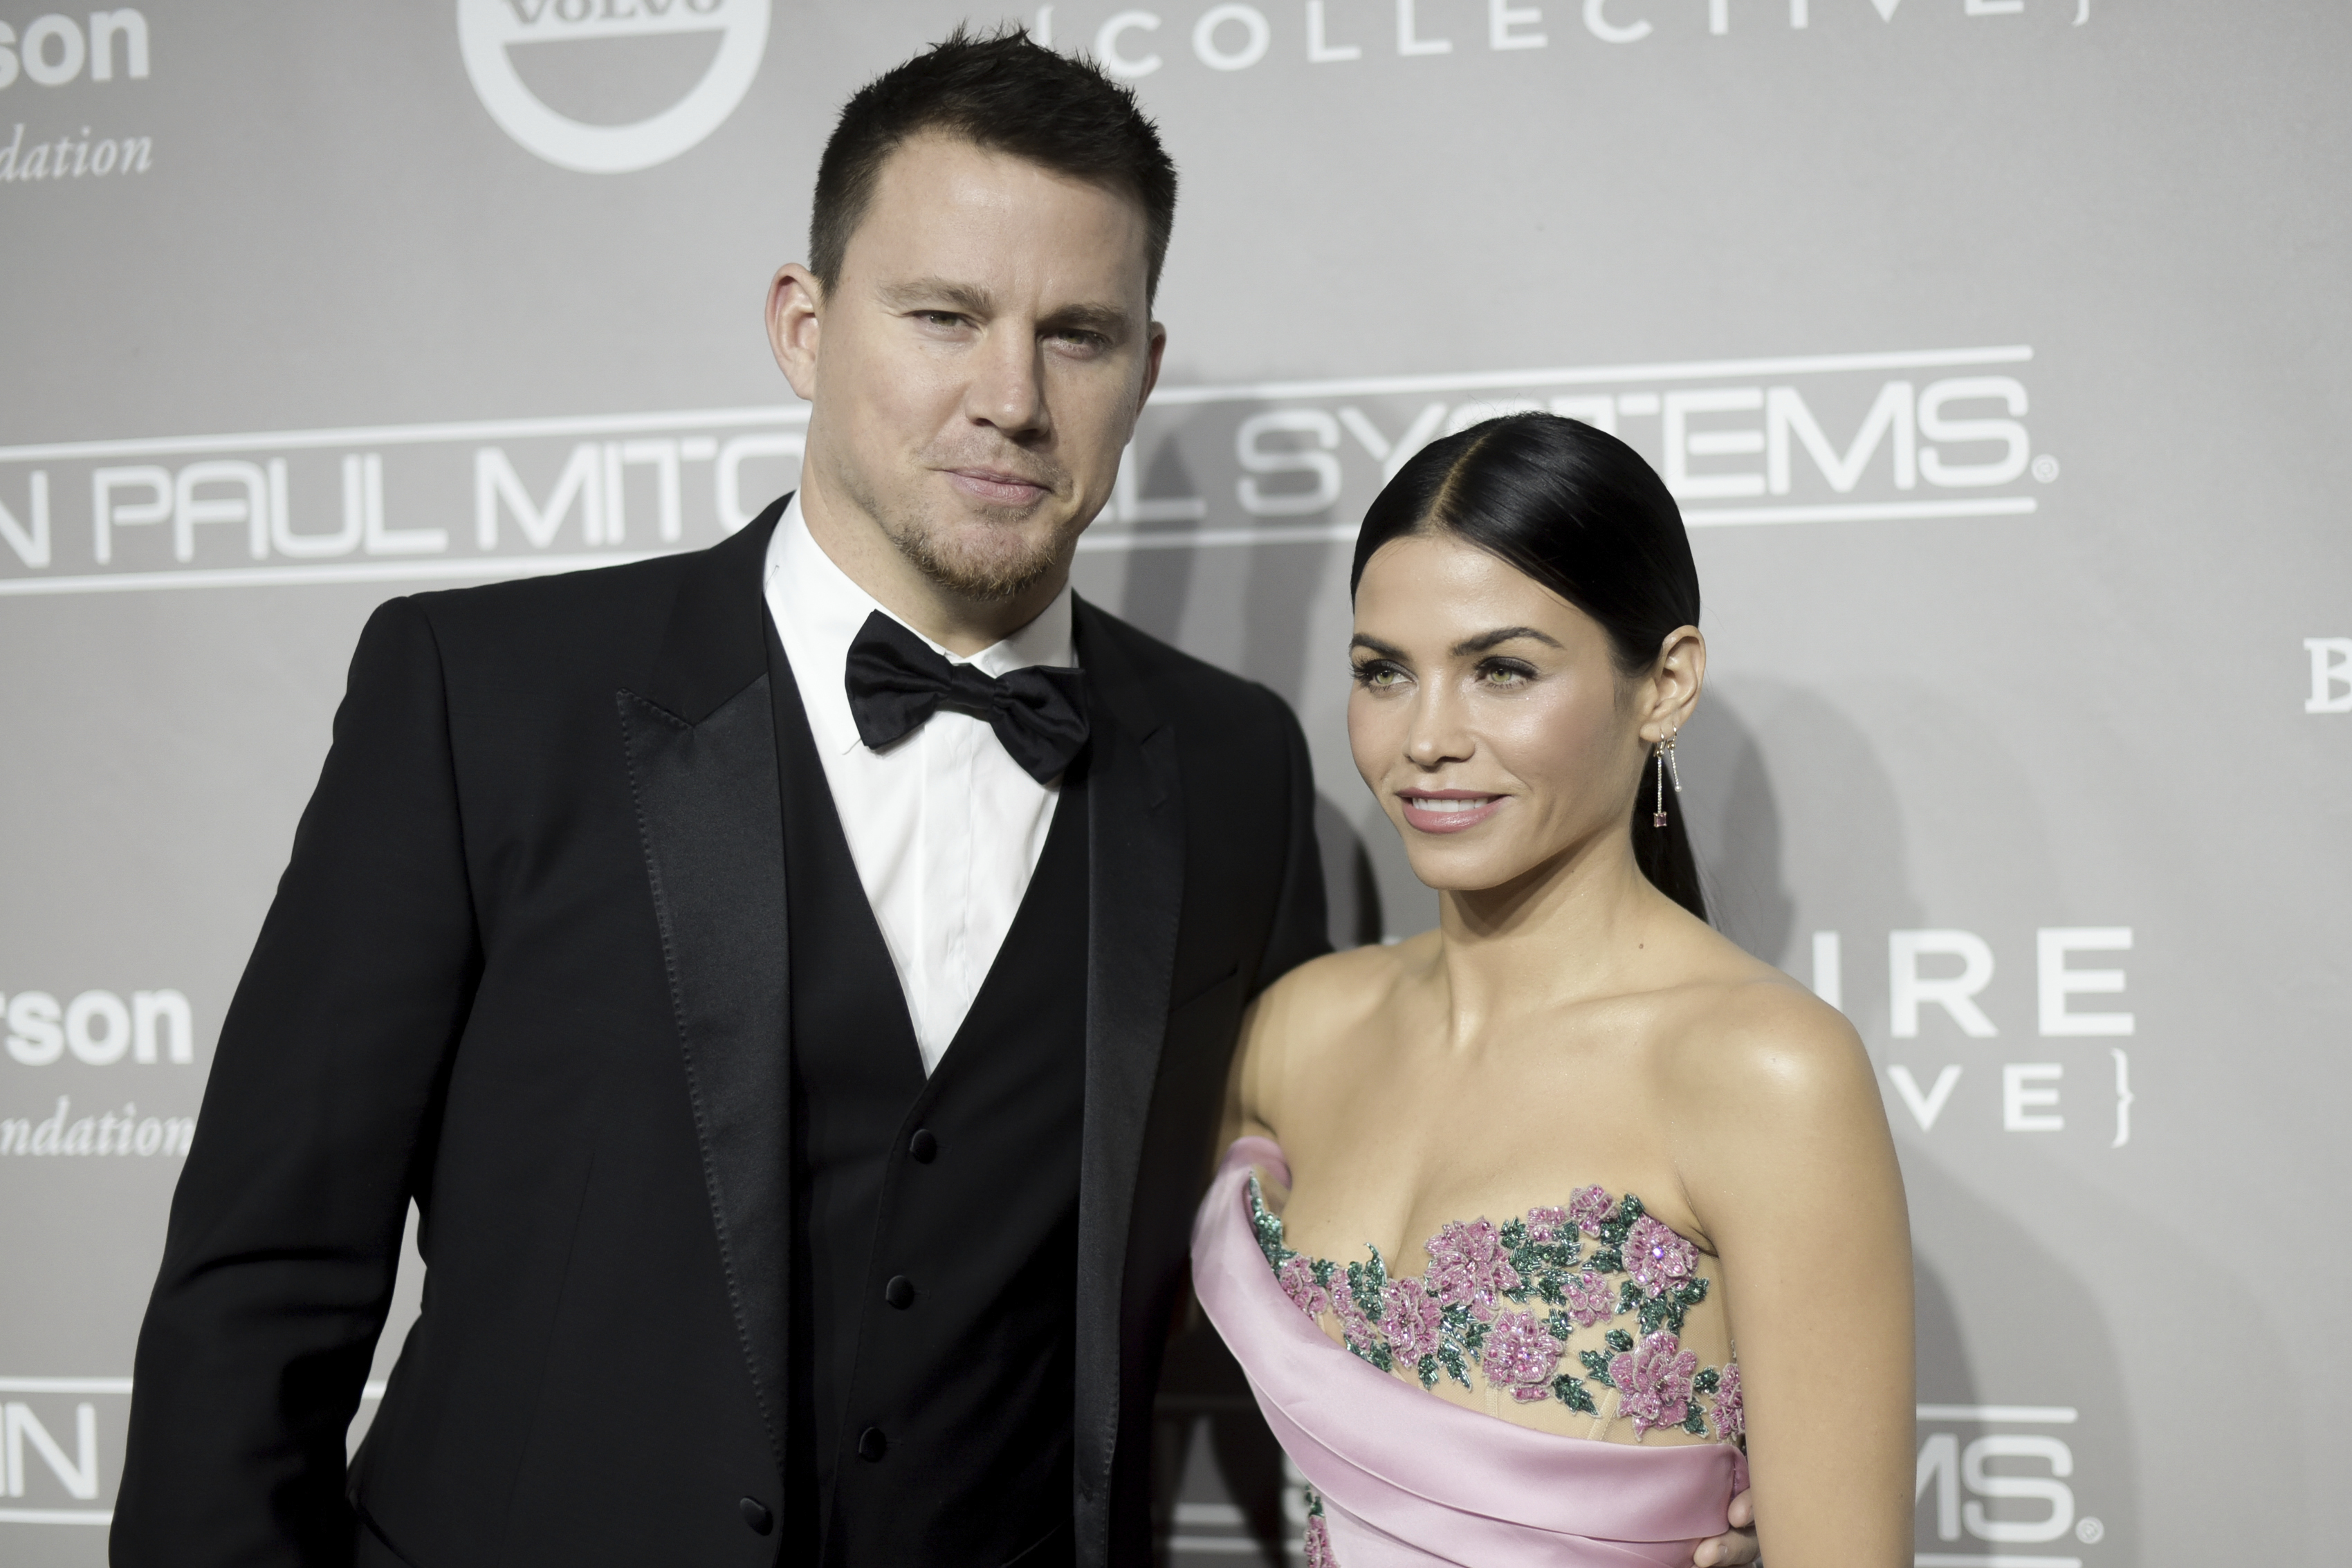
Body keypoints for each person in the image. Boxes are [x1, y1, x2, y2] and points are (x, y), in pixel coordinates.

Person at [107, 30, 1336, 1568]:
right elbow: (264, 1284)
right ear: (804, 328)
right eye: (942, 316)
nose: (1010, 397)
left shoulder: (1233, 766)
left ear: (1141, 369)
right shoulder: (483, 695)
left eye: (1075, 334)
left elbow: (1322, 1248)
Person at [1194, 413, 1913, 1566]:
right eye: (1384, 672)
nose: (1426, 737)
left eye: (1502, 671)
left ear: (1665, 686)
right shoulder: (1301, 1028)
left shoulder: (1763, 1070)